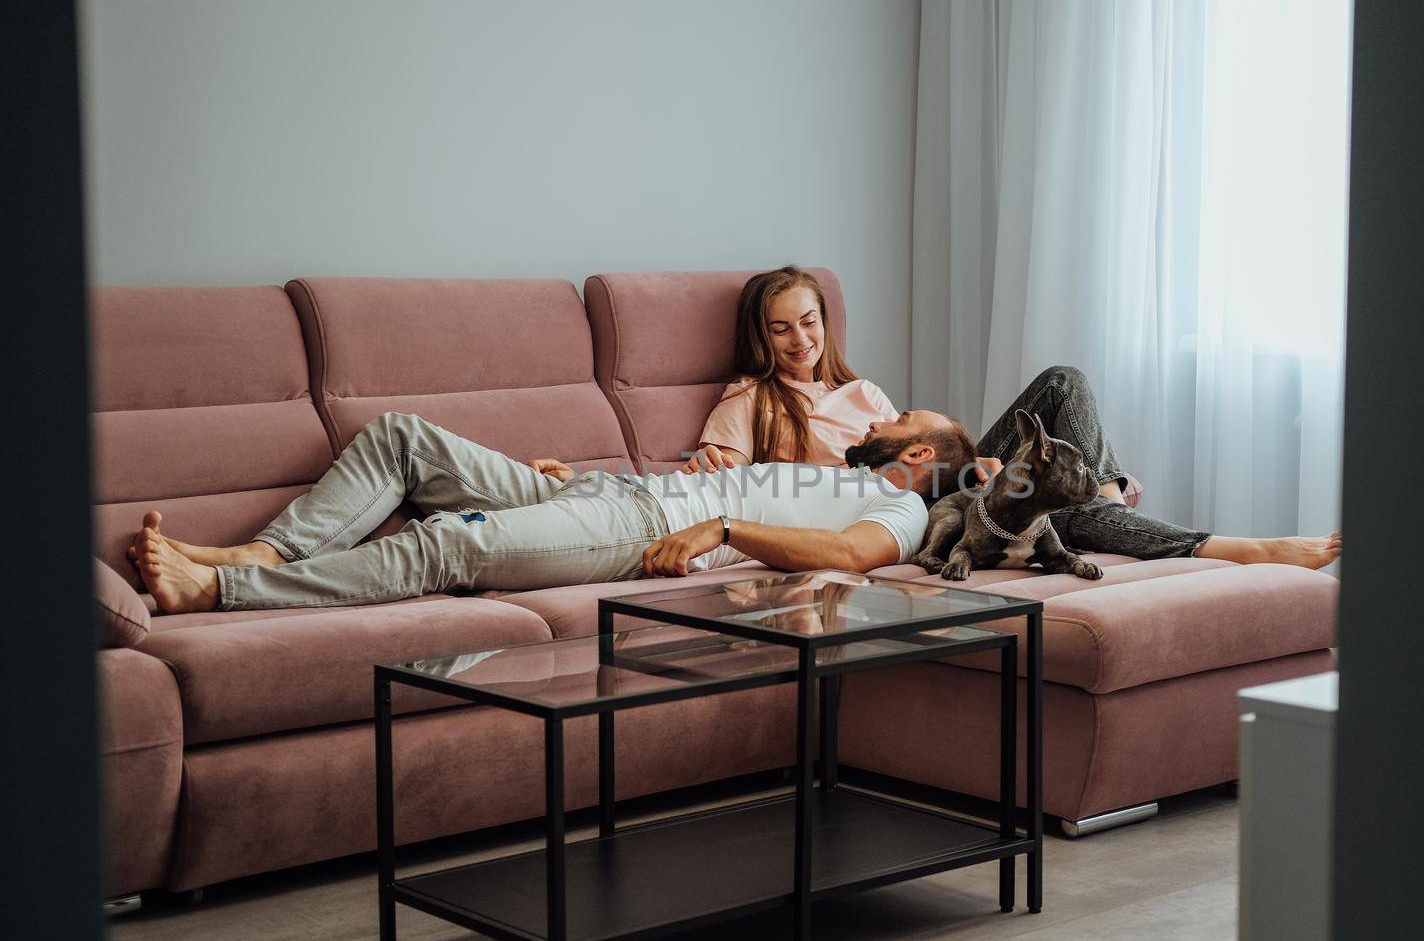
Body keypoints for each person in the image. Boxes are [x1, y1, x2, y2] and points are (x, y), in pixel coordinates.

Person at [683, 265, 1340, 570]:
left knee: (1062, 383)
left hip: (939, 477)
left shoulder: (863, 395)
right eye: (781, 330)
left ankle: (1099, 485)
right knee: (1049, 504)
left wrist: (976, 466)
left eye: (810, 321)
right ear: (760, 337)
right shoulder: (749, 400)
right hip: (888, 509)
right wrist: (710, 460)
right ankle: (1240, 546)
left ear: (826, 321)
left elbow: (926, 452)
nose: (801, 340)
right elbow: (729, 479)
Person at [129, 409, 976, 615]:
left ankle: (222, 594)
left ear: (919, 456)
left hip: (635, 529)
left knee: (444, 544)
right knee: (401, 438)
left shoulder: (898, 512)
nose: (879, 419)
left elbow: (848, 554)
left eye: (902, 422)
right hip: (610, 490)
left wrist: (722, 530)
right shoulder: (821, 466)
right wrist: (585, 477)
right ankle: (268, 553)